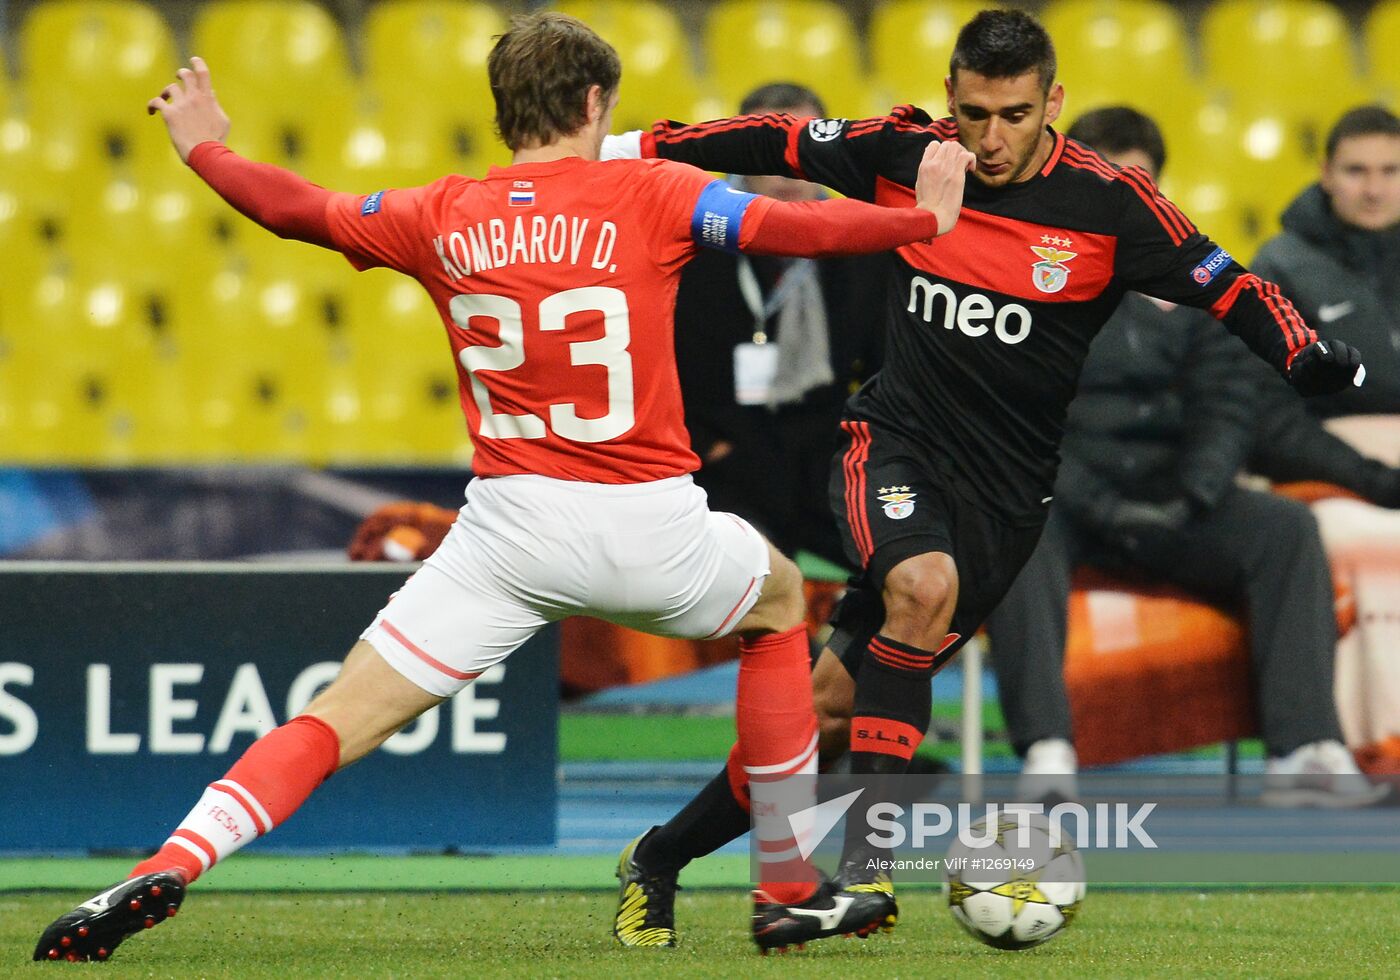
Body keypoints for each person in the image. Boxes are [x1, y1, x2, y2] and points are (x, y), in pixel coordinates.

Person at [33, 14, 977, 962]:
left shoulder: (438, 210)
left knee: (331, 720)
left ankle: (175, 859)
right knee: (776, 604)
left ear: (501, 111)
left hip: (507, 535)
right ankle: (783, 885)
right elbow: (798, 228)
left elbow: (295, 207)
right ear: (594, 102)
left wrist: (203, 146)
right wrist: (922, 220)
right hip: (649, 521)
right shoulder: (656, 190)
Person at [604, 8, 1367, 946]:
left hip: (1007, 501)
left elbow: (1227, 283)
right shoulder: (908, 151)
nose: (990, 139)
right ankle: (864, 877)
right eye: (972, 113)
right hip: (892, 443)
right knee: (923, 588)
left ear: (1054, 103)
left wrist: (1303, 352)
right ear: (951, 99)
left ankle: (659, 857)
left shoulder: (1109, 207)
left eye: (1012, 114)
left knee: (831, 709)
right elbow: (779, 138)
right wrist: (627, 144)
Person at [981, 106, 1387, 808]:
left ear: (1158, 191)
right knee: (1017, 527)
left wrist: (1192, 496)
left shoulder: (1200, 277)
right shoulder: (1020, 282)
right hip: (1066, 501)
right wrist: (1107, 506)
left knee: (1285, 531)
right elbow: (1016, 426)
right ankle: (1048, 752)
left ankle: (1306, 751)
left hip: (1176, 499)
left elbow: (1232, 402)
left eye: (1134, 184)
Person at [673, 82, 887, 567]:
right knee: (752, 573)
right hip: (723, 468)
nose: (788, 169)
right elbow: (656, 363)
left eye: (806, 148)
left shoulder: (864, 244)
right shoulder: (689, 246)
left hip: (831, 463)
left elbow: (886, 369)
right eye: (771, 150)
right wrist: (706, 446)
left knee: (904, 561)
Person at [1247, 105, 1400, 761]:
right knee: (1369, 547)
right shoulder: (1280, 264)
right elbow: (1269, 417)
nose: (1374, 187)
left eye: (1391, 171)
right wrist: (1373, 479)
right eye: (1357, 170)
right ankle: (1376, 743)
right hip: (1326, 473)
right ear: (1325, 174)